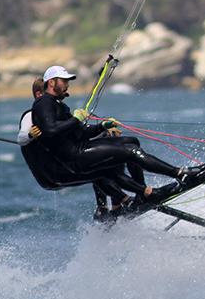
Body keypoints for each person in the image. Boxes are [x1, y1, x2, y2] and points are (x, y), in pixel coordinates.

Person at [31, 65, 205, 205]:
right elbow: (51, 131)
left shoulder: (58, 105)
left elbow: (81, 133)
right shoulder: (43, 103)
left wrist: (102, 126)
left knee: (131, 142)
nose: (68, 85)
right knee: (130, 151)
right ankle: (179, 174)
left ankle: (144, 193)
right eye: (64, 81)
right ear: (52, 82)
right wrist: (76, 119)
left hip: (80, 149)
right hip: (75, 157)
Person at [19, 78, 146, 219]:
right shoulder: (31, 115)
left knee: (109, 153)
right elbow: (22, 137)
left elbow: (79, 136)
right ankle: (116, 203)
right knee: (98, 167)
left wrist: (103, 129)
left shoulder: (54, 114)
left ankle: (115, 205)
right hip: (52, 173)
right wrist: (30, 135)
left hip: (62, 165)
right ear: (39, 95)